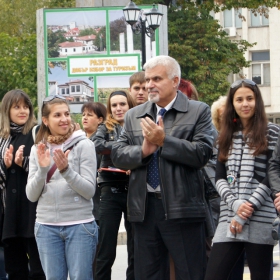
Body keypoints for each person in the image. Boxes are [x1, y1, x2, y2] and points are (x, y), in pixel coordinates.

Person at [111, 55, 214, 280]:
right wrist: (144, 151)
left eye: (156, 78)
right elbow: (117, 154)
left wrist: (164, 141)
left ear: (175, 81)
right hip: (144, 210)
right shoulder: (133, 115)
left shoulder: (198, 111)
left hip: (183, 208)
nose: (149, 85)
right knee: (147, 274)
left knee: (191, 273)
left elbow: (203, 153)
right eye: (148, 79)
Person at [205, 79, 280, 280]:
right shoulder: (224, 136)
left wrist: (245, 211)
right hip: (229, 216)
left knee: (260, 276)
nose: (244, 104)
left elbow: (268, 175)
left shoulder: (271, 132)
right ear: (232, 104)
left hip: (260, 216)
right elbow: (220, 177)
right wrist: (235, 204)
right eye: (239, 99)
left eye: (249, 98)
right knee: (214, 275)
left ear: (257, 101)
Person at [26, 95, 98, 280]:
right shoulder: (37, 149)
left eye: (67, 113)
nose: (64, 119)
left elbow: (89, 191)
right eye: (57, 115)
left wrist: (66, 170)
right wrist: (42, 170)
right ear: (45, 120)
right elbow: (31, 196)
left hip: (80, 226)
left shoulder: (84, 144)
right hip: (46, 227)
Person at [0, 89, 45, 280]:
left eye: (26, 107)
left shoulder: (37, 133)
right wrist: (5, 164)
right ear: (6, 110)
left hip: (33, 212)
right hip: (8, 213)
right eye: (17, 107)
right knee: (14, 269)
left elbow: (46, 168)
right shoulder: (2, 138)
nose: (23, 111)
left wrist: (23, 163)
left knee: (38, 269)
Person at [94, 91, 136, 280]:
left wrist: (115, 150)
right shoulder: (105, 126)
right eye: (114, 105)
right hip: (109, 188)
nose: (118, 108)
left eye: (122, 104)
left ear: (130, 105)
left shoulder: (138, 125)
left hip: (134, 189)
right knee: (106, 246)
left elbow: (145, 150)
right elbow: (95, 144)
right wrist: (123, 151)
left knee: (135, 247)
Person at [81, 101, 107, 276]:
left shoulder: (102, 144)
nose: (85, 117)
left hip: (98, 207)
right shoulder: (78, 140)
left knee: (96, 259)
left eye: (89, 115)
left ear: (100, 120)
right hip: (79, 208)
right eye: (83, 114)